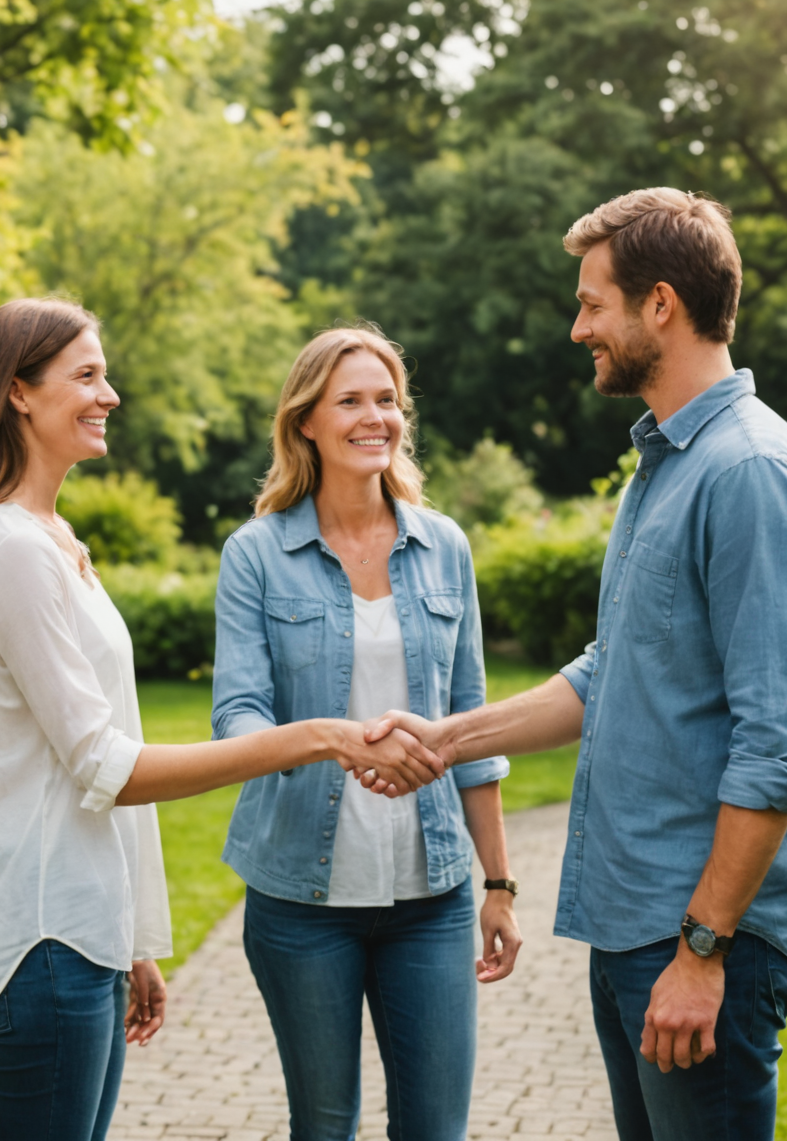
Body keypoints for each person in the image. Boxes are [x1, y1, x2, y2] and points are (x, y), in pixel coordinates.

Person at [0, 299, 444, 1141]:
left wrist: (133, 941)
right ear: (17, 392)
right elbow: (105, 767)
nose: (109, 394)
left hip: (83, 938)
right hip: (41, 941)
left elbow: (87, 757)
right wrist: (322, 735)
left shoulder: (53, 539)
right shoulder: (8, 548)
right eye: (86, 376)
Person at [366, 190, 787, 1141]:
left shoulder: (751, 474)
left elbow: (781, 746)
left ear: (660, 304)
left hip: (700, 941)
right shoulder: (667, 463)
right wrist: (447, 738)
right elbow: (612, 670)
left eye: (593, 303)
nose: (578, 326)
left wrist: (704, 950)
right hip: (635, 928)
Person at [210, 325, 524, 1141]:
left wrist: (498, 884)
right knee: (324, 1128)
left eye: (386, 400)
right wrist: (333, 738)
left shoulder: (444, 546)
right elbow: (236, 716)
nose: (373, 417)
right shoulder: (256, 556)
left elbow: (472, 720)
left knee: (436, 1128)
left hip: (434, 897)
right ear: (305, 421)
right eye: (349, 400)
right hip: (300, 899)